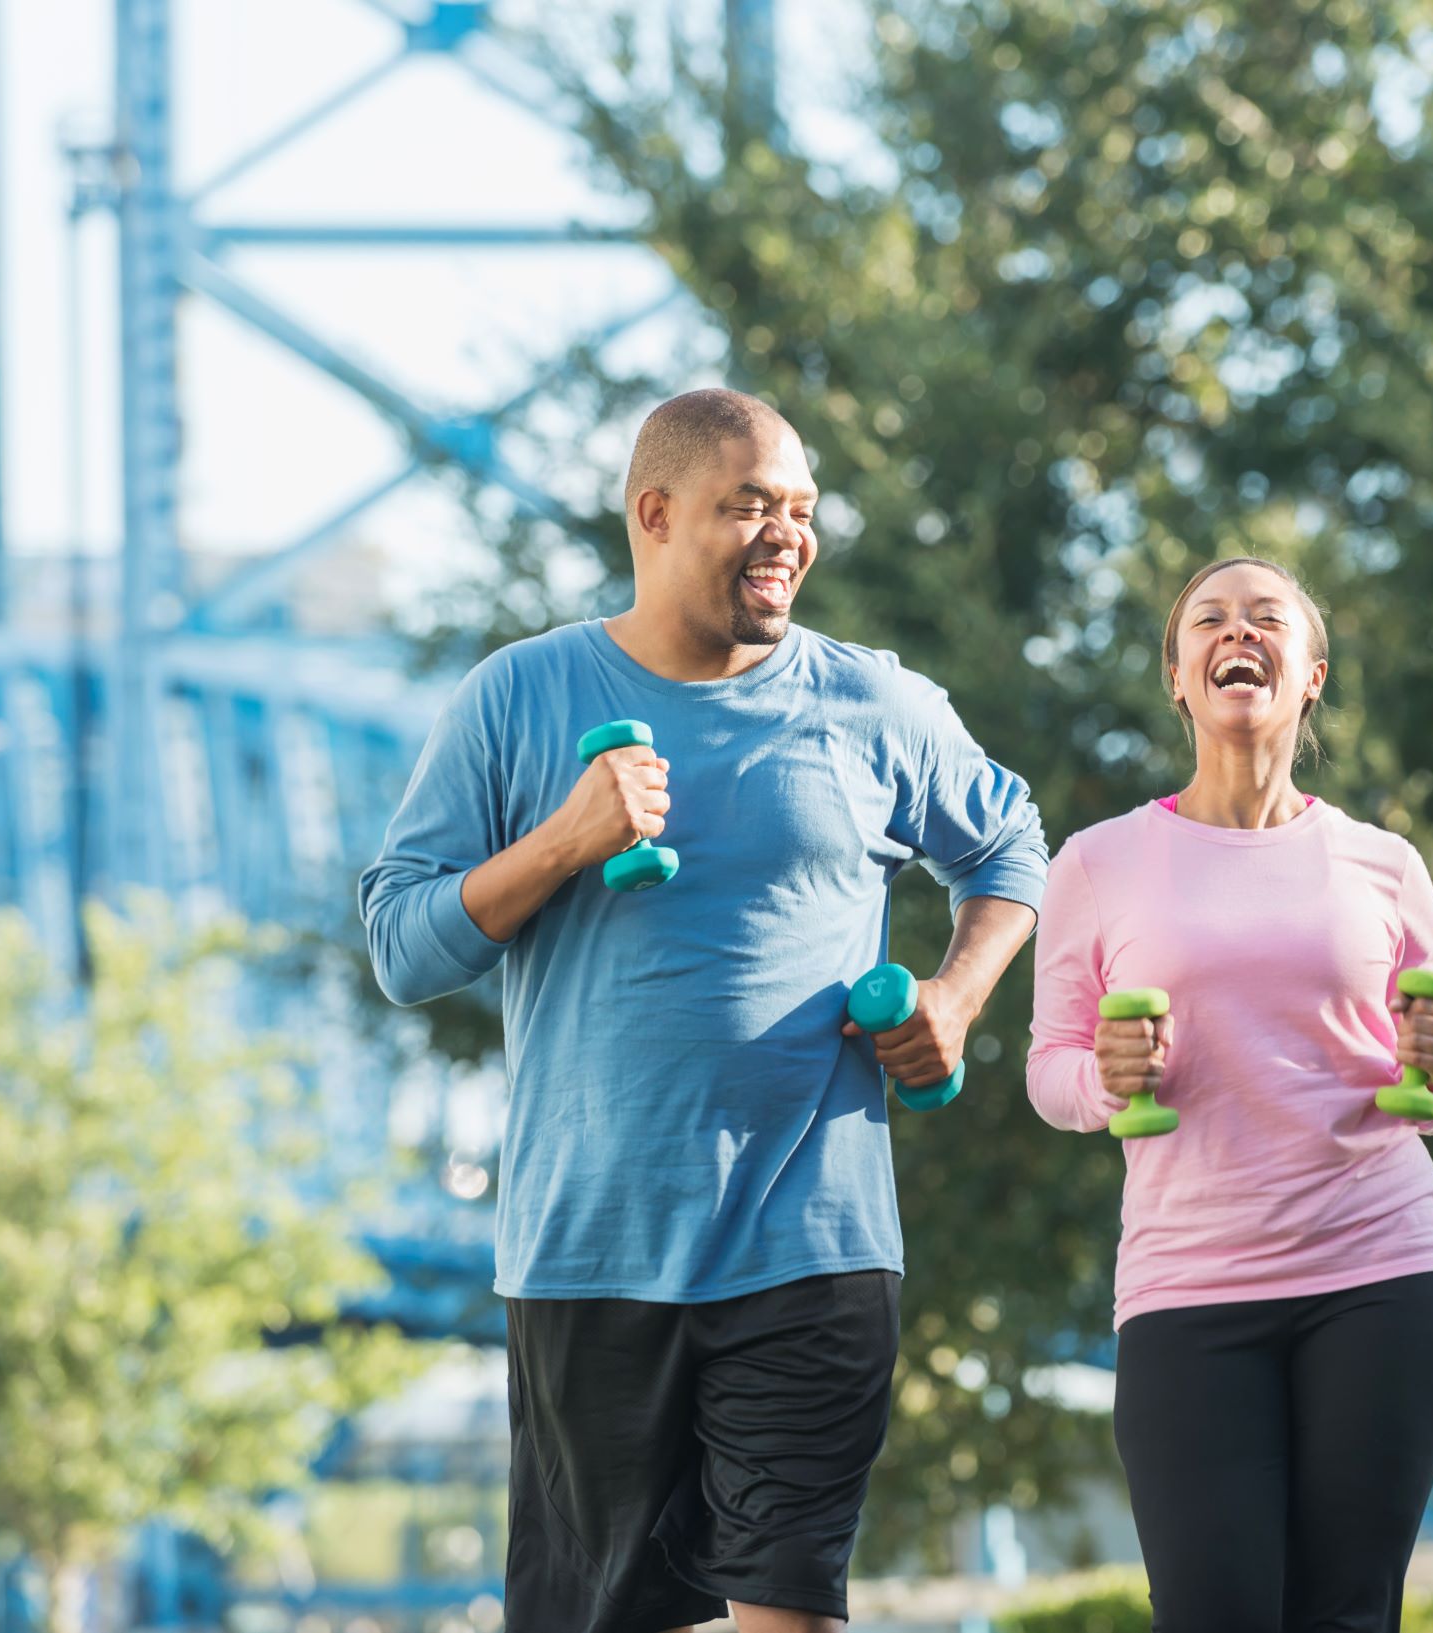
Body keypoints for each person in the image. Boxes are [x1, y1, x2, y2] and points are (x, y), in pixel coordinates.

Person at [359, 388, 1047, 1633]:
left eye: (802, 510)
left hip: (813, 1237)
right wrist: (564, 839)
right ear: (656, 513)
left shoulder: (874, 705)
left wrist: (954, 995)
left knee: (788, 1610)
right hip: (588, 1246)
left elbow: (1008, 847)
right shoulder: (518, 698)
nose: (787, 533)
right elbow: (404, 950)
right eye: (750, 505)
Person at [1028, 555, 1433, 1633]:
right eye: (1212, 619)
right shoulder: (1098, 864)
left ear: (1310, 672)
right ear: (1178, 675)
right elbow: (1051, 1069)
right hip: (1191, 1286)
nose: (1241, 631)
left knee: (1346, 1613)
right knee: (1213, 1611)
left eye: (1268, 617)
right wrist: (1106, 1078)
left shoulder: (1383, 863)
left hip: (1385, 1265)